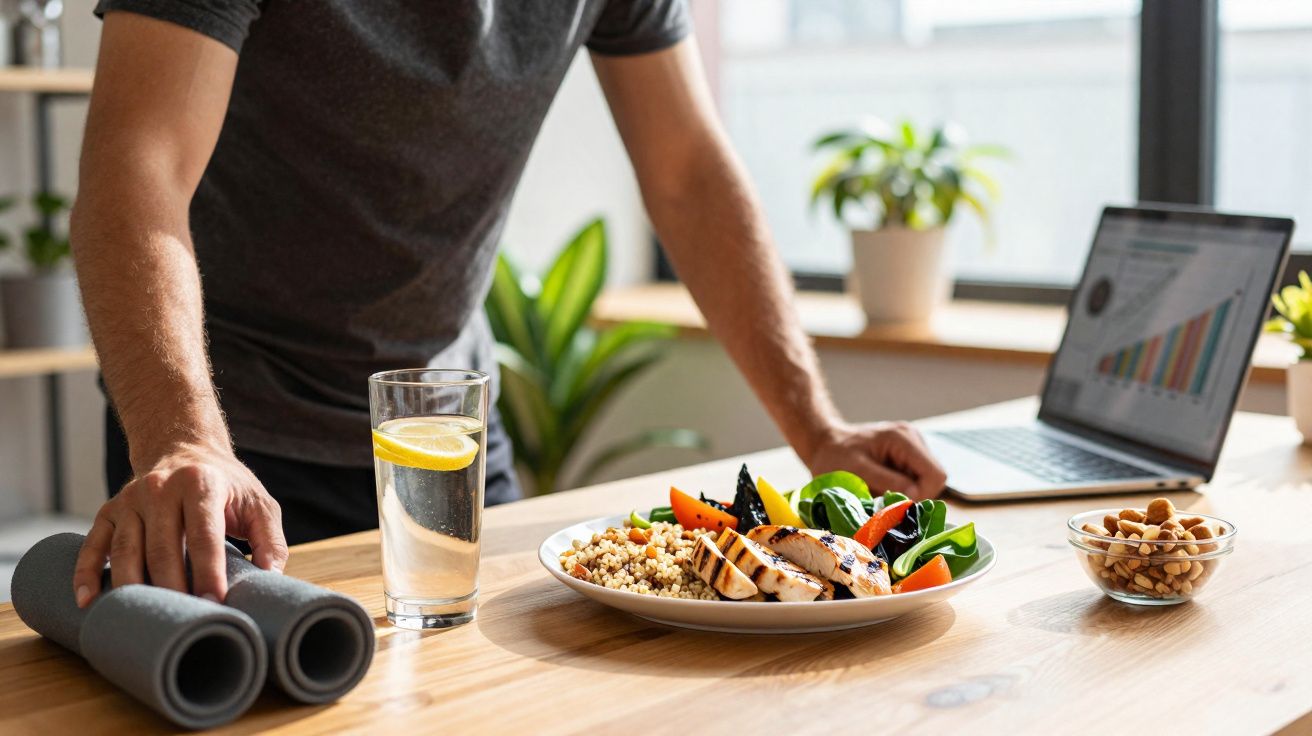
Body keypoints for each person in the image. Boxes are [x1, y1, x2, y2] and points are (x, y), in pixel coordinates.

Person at [69, 0, 947, 608]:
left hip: (445, 434)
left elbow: (689, 176)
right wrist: (184, 437)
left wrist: (818, 429)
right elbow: (137, 170)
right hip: (229, 443)